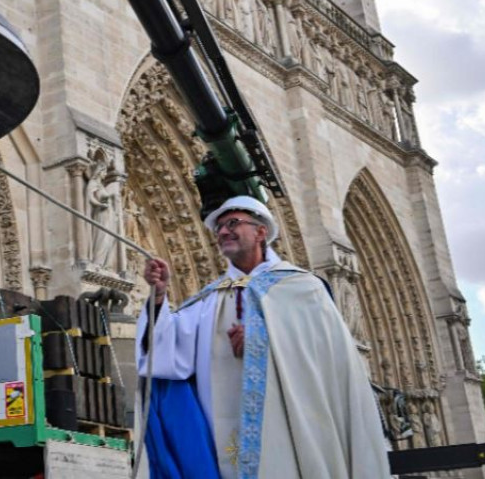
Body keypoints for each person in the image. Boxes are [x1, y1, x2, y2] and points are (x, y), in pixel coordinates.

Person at [137, 196, 389, 478]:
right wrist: (158, 297)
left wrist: (262, 338)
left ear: (261, 232)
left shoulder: (302, 287)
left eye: (233, 223)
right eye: (218, 228)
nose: (222, 232)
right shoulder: (209, 299)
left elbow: (329, 358)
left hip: (292, 427)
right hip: (221, 436)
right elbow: (168, 357)